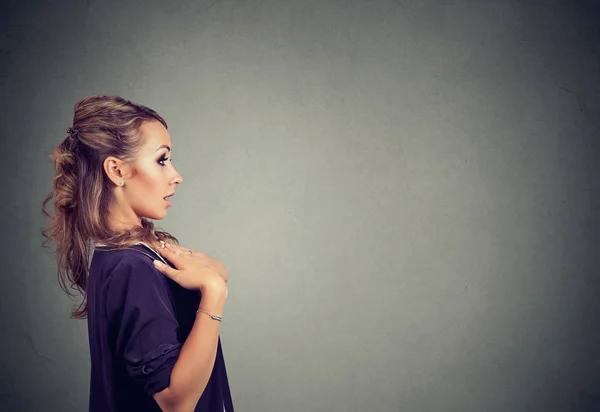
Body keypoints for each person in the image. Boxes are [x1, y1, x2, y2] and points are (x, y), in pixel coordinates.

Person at [41, 95, 234, 412]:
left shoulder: (119, 254)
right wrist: (213, 293)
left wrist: (215, 276)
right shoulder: (133, 267)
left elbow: (214, 272)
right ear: (116, 170)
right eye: (162, 159)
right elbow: (176, 401)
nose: (176, 175)